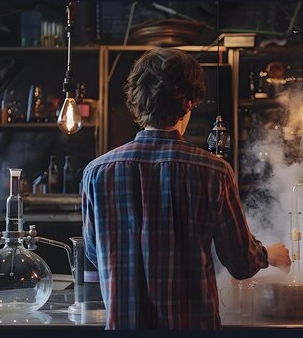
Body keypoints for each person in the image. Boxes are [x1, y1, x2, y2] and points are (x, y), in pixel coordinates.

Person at [81, 47, 291, 329]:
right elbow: (241, 263)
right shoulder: (213, 171)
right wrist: (268, 254)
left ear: (136, 101)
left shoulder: (96, 173)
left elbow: (94, 253)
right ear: (190, 102)